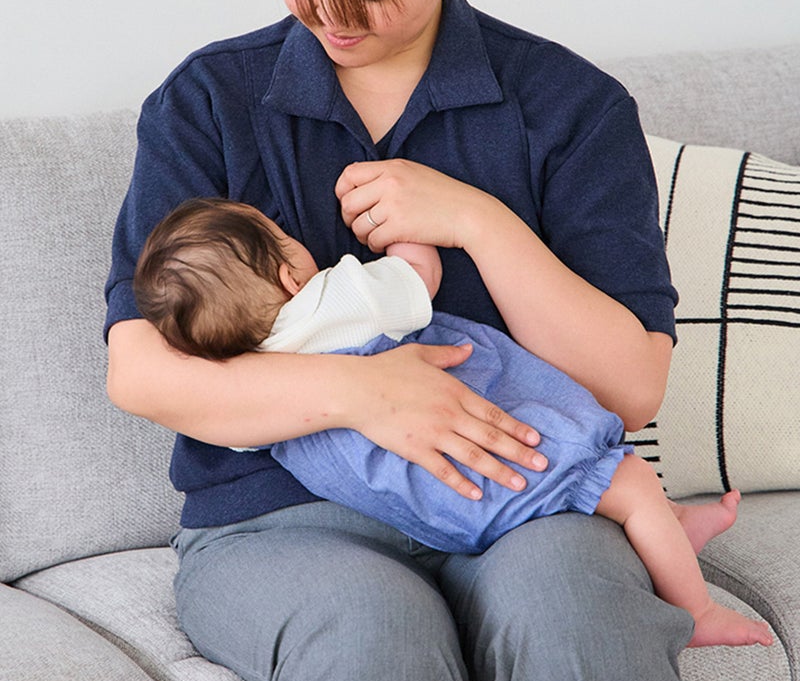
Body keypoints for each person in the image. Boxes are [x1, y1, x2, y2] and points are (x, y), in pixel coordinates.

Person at [104, 0, 731, 681]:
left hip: (525, 503)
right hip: (283, 522)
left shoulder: (571, 107)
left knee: (577, 621)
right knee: (375, 637)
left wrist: (478, 222)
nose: (331, 16)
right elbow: (140, 370)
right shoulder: (209, 102)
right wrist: (364, 394)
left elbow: (629, 388)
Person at [133, 196, 772, 649]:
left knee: (610, 490)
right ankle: (696, 607)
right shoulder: (337, 296)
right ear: (287, 272)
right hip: (478, 463)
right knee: (624, 480)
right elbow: (420, 277)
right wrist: (405, 232)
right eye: (282, 235)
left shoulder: (245, 384)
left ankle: (673, 522)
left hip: (430, 507)